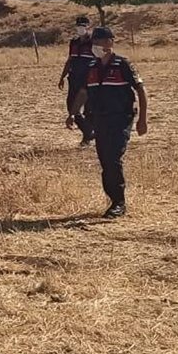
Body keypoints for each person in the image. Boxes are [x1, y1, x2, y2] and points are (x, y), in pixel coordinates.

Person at [68, 27, 148, 218]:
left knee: (113, 158)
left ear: (110, 42)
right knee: (105, 161)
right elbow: (84, 92)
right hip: (99, 120)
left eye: (100, 42)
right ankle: (113, 199)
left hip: (121, 119)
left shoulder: (123, 64)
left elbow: (141, 91)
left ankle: (119, 203)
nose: (96, 46)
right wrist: (73, 113)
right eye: (94, 43)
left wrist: (143, 120)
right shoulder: (92, 67)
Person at [58, 16, 94, 145]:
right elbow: (70, 60)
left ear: (89, 27)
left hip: (89, 80)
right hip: (74, 79)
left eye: (83, 26)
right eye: (79, 26)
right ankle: (88, 132)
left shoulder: (94, 42)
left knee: (89, 109)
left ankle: (87, 137)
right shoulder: (74, 42)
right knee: (71, 106)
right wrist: (62, 77)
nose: (81, 28)